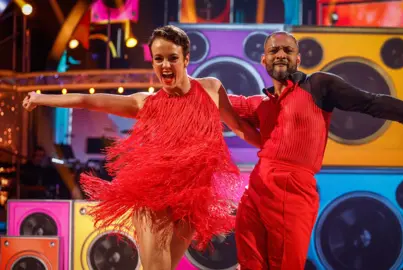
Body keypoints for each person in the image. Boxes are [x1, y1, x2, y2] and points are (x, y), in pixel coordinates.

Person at [22, 25, 261, 270]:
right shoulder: (144, 102)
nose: (165, 65)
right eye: (158, 59)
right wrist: (41, 98)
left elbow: (240, 127)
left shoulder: (211, 88)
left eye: (172, 58)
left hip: (192, 198)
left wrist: (272, 149)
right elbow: (87, 100)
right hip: (154, 195)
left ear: (186, 59)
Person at [228, 31, 403, 269]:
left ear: (298, 59)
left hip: (293, 188)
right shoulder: (259, 103)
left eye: (288, 50)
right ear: (263, 60)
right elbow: (213, 98)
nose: (280, 55)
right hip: (256, 190)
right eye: (273, 50)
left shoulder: (317, 85)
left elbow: (370, 101)